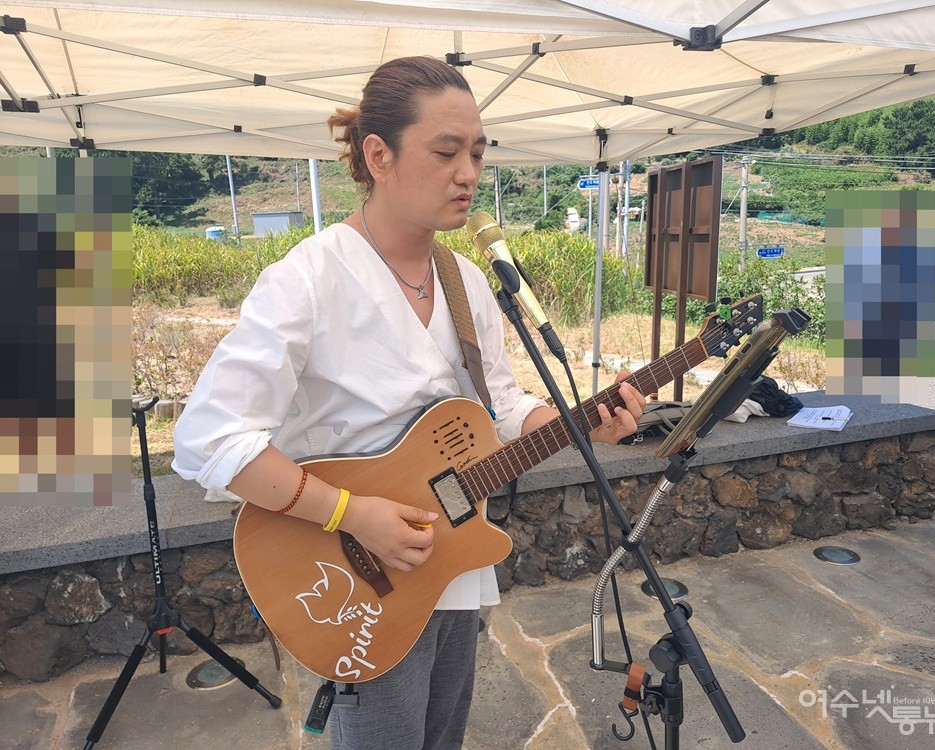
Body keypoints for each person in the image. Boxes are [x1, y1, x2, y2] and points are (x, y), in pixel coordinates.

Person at [172, 56, 644, 750]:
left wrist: (581, 425)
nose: (468, 174)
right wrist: (351, 513)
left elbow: (501, 407)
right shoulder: (307, 280)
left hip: (453, 562)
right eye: (446, 152)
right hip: (350, 577)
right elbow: (210, 439)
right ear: (378, 156)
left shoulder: (466, 282)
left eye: (477, 153)